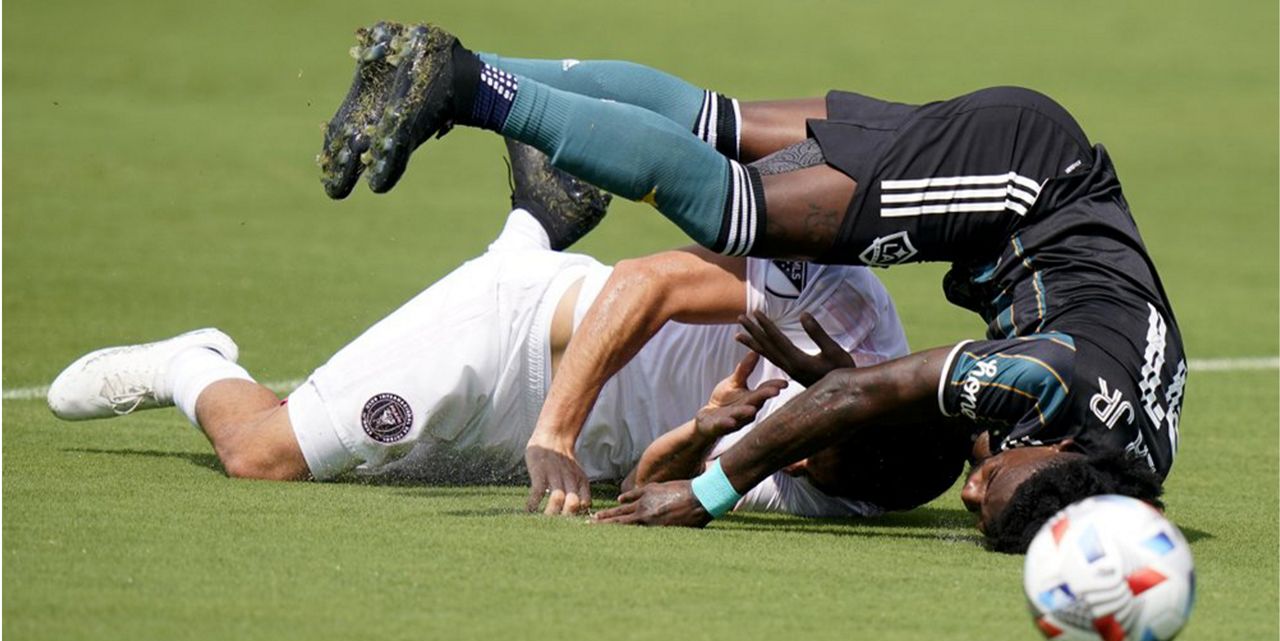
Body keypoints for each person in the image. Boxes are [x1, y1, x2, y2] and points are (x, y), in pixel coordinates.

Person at [317, 23, 1184, 551]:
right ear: (1066, 460)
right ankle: (469, 89)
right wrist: (708, 494)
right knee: (736, 213)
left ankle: (438, 67)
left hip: (1028, 159)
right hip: (1014, 190)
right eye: (992, 487)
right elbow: (858, 393)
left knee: (716, 124)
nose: (969, 488)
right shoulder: (1054, 385)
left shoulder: (1128, 462)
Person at [49, 140, 958, 519]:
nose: (791, 456)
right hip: (512, 340)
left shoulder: (837, 488)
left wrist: (702, 432)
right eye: (811, 446)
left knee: (406, 475)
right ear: (862, 393)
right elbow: (646, 283)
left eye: (807, 468)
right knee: (265, 456)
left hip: (571, 443)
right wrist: (554, 429)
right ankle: (187, 361)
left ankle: (532, 226)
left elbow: (646, 484)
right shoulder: (842, 301)